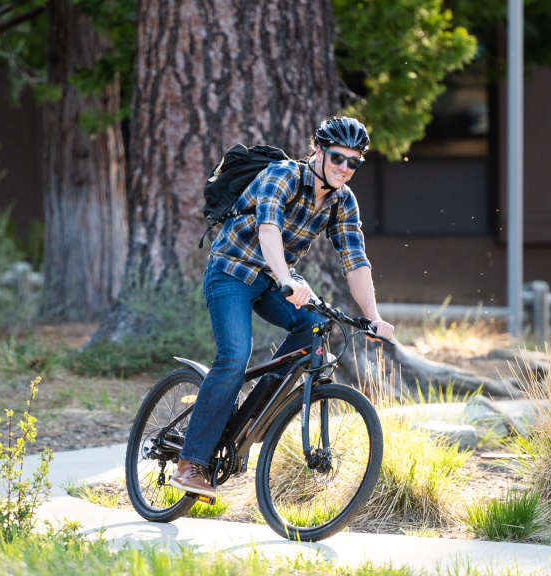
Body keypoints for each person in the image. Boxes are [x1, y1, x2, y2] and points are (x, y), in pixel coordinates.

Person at [169, 116, 396, 498]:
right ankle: (190, 464)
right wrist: (287, 280)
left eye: (354, 163)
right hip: (232, 273)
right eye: (338, 158)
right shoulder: (283, 176)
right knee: (234, 356)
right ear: (319, 152)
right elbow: (268, 229)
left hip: (275, 280)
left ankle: (257, 407)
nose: (345, 168)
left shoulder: (343, 201)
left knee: (312, 329)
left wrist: (373, 317)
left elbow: (355, 261)